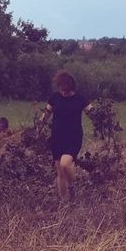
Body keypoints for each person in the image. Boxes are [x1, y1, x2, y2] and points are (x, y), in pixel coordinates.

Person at [41, 70, 92, 201]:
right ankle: (64, 203)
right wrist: (37, 127)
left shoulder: (80, 99)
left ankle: (71, 187)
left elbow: (93, 113)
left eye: (66, 90)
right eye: (61, 89)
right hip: (57, 137)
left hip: (73, 137)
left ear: (71, 87)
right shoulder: (54, 98)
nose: (63, 92)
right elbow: (45, 115)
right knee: (60, 171)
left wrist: (103, 121)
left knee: (65, 164)